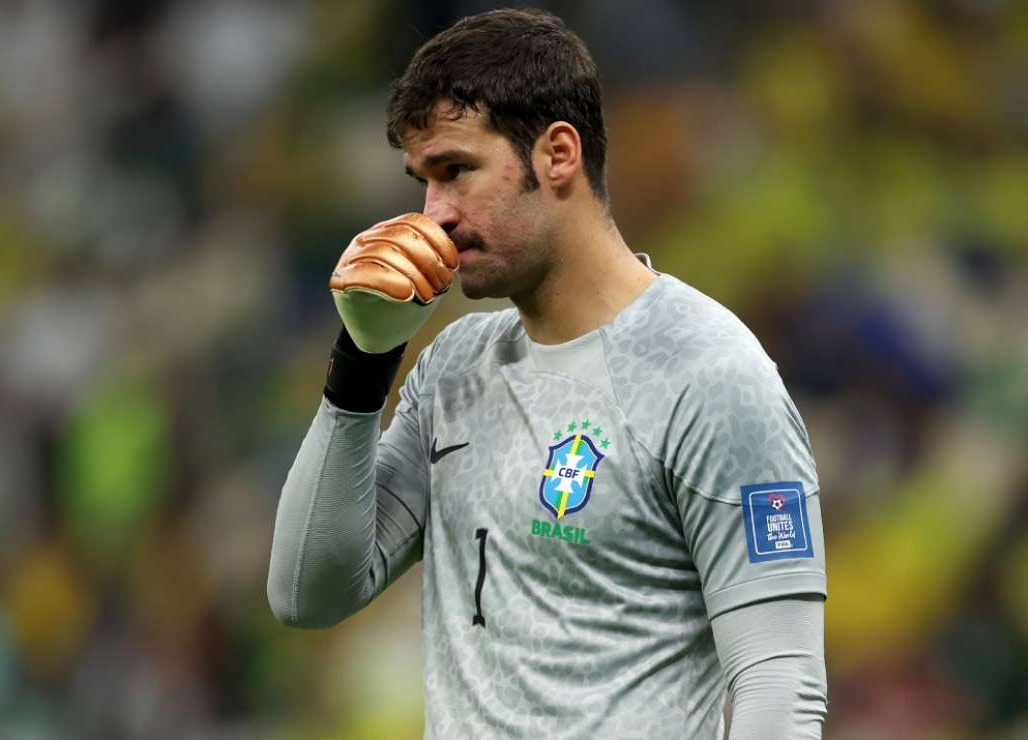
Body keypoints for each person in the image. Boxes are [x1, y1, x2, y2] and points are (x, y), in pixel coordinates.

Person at [268, 8, 827, 738]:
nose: (432, 215)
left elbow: (779, 683)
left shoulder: (708, 371)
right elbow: (307, 592)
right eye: (422, 181)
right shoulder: (454, 369)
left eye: (456, 171)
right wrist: (363, 361)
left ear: (557, 155)